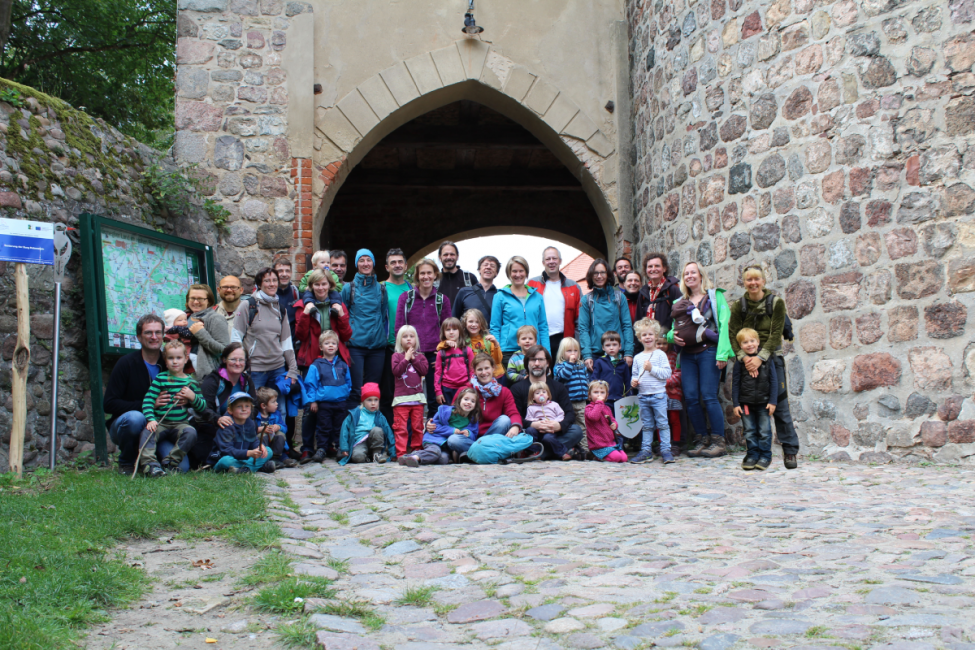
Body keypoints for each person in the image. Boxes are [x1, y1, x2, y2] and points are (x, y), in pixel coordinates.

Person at [727, 265, 799, 469]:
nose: (753, 283)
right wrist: (744, 358)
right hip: (746, 360)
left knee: (780, 404)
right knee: (750, 403)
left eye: (757, 279)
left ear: (763, 281)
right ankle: (755, 452)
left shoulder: (776, 303)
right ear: (744, 282)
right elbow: (733, 334)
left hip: (771, 358)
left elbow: (776, 333)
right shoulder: (738, 306)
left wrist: (760, 358)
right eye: (749, 279)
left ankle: (790, 450)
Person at [667, 261, 732, 459]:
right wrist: (671, 337)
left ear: (701, 275)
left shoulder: (714, 296)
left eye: (693, 272)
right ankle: (701, 439)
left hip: (709, 352)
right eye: (686, 273)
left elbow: (724, 323)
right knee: (692, 398)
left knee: (709, 395)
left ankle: (718, 441)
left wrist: (722, 354)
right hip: (687, 355)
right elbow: (673, 328)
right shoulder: (680, 302)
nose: (689, 276)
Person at [103, 314, 166, 475]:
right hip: (127, 425)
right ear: (139, 337)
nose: (154, 337)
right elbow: (109, 403)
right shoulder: (126, 363)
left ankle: (150, 462)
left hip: (160, 427)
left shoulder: (169, 363)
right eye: (148, 333)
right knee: (135, 418)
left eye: (158, 332)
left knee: (183, 466)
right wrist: (149, 404)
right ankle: (127, 462)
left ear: (163, 336)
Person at [137, 341, 203, 477]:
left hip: (180, 424)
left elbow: (202, 407)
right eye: (170, 358)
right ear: (165, 361)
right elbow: (148, 400)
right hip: (161, 422)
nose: (175, 362)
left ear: (186, 359)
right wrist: (150, 419)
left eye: (178, 358)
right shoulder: (161, 379)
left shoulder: (191, 382)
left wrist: (192, 397)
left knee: (191, 432)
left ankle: (171, 461)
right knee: (147, 432)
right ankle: (150, 465)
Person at [395, 258, 450, 414]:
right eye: (422, 273)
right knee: (410, 396)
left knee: (435, 397)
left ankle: (434, 434)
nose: (426, 277)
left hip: (434, 354)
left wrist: (442, 353)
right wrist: (404, 354)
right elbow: (399, 327)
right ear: (417, 276)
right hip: (411, 352)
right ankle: (411, 434)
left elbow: (448, 329)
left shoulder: (442, 300)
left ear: (435, 275)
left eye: (429, 273)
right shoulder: (406, 298)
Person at [232, 266, 299, 394]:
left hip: (278, 368)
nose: (272, 284)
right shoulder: (248, 305)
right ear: (259, 284)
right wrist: (240, 365)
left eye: (274, 280)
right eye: (267, 281)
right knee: (256, 408)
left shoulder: (280, 308)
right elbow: (236, 339)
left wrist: (292, 370)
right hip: (256, 370)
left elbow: (286, 342)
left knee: (279, 410)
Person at [509, 345, 583, 460]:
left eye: (541, 359)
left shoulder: (558, 387)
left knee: (576, 431)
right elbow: (515, 416)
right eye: (533, 360)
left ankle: (535, 453)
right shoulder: (517, 388)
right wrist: (532, 424)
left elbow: (569, 414)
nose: (537, 363)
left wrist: (559, 425)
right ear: (527, 363)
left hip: (553, 433)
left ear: (547, 363)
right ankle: (558, 451)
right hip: (530, 433)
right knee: (520, 435)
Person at [196, 343, 260, 468]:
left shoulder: (247, 381)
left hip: (240, 430)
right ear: (224, 359)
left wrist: (242, 420)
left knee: (264, 448)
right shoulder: (213, 380)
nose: (237, 363)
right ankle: (246, 464)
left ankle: (241, 465)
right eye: (233, 359)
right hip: (214, 431)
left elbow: (255, 406)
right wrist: (218, 419)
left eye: (241, 360)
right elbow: (203, 408)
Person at [342, 249, 390, 408]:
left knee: (373, 391)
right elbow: (343, 315)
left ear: (373, 263)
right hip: (355, 346)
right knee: (355, 390)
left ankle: (370, 430)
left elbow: (382, 314)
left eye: (368, 260)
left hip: (377, 347)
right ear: (356, 264)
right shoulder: (349, 289)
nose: (365, 263)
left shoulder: (382, 289)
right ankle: (352, 428)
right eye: (361, 260)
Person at [300, 330, 351, 463]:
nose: (330, 346)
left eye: (333, 343)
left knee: (339, 426)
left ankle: (340, 447)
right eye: (327, 343)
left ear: (337, 346)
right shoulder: (316, 365)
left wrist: (345, 393)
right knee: (324, 426)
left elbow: (348, 382)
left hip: (340, 402)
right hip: (324, 403)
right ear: (321, 347)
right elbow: (311, 384)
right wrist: (313, 401)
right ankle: (322, 448)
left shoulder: (342, 364)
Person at [491, 256, 550, 367]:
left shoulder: (537, 297)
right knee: (513, 383)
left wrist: (547, 354)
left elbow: (543, 326)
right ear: (509, 273)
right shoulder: (500, 296)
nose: (518, 275)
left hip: (534, 350)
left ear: (526, 272)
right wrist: (497, 351)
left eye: (521, 271)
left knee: (535, 383)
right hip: (508, 350)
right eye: (514, 271)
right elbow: (495, 326)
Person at [733, 328, 778, 471]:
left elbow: (774, 381)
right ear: (741, 346)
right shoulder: (739, 363)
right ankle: (752, 455)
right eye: (745, 342)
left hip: (764, 403)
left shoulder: (767, 359)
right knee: (749, 431)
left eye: (752, 341)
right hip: (746, 404)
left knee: (764, 431)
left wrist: (772, 401)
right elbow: (735, 383)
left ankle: (765, 456)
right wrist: (735, 404)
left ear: (758, 342)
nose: (749, 344)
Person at [576, 258, 634, 371]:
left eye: (602, 272)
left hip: (618, 354)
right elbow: (583, 329)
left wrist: (629, 352)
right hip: (596, 355)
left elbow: (627, 325)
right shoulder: (586, 300)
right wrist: (587, 355)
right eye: (596, 273)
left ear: (608, 274)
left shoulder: (619, 297)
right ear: (591, 276)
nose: (599, 276)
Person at [630, 318, 674, 464]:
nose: (647, 337)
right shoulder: (637, 358)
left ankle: (666, 450)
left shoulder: (660, 355)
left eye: (650, 334)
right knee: (647, 425)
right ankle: (646, 451)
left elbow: (667, 374)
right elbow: (634, 376)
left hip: (659, 396)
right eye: (644, 335)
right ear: (639, 338)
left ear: (656, 336)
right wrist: (634, 382)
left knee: (662, 424)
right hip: (643, 396)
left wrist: (652, 369)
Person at [400, 388, 480, 466]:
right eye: (466, 399)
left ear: (475, 405)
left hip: (445, 446)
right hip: (434, 440)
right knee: (435, 452)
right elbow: (435, 427)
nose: (469, 402)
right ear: (459, 401)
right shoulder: (447, 412)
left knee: (443, 459)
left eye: (472, 401)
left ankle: (418, 456)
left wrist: (469, 433)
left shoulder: (472, 419)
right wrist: (451, 431)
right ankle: (413, 457)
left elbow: (474, 434)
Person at [528, 246, 581, 354]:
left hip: (565, 340)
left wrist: (577, 343)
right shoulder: (532, 284)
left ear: (560, 261)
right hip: (539, 339)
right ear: (543, 262)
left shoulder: (573, 286)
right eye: (548, 259)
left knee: (565, 371)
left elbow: (580, 319)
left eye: (554, 258)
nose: (551, 262)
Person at [381, 248, 412, 423]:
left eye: (400, 262)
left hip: (408, 348)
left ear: (406, 266)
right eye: (393, 262)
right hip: (387, 346)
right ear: (387, 267)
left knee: (408, 392)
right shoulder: (381, 288)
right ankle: (388, 435)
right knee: (387, 392)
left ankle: (405, 435)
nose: (397, 265)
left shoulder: (411, 289)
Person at [391, 325, 429, 458]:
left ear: (416, 339)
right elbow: (396, 371)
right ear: (399, 340)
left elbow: (424, 371)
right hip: (401, 400)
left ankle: (416, 451)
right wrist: (406, 358)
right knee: (400, 428)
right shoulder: (396, 356)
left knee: (418, 427)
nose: (408, 339)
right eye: (405, 336)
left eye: (411, 336)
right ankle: (401, 453)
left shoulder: (421, 357)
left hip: (417, 399)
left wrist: (413, 358)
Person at [207, 392, 269, 474]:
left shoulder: (251, 423)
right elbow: (227, 450)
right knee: (225, 461)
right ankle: (253, 468)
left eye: (247, 406)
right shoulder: (227, 425)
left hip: (244, 458)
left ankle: (242, 470)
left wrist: (259, 446)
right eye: (239, 406)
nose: (244, 409)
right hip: (225, 458)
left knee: (268, 450)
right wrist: (248, 453)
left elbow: (253, 441)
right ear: (230, 410)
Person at [337, 383, 395, 465]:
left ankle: (377, 454)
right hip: (359, 442)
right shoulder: (355, 414)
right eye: (369, 400)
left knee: (377, 430)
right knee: (357, 458)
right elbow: (344, 430)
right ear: (363, 401)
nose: (373, 403)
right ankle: (367, 458)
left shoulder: (380, 416)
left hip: (374, 442)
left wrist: (393, 452)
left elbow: (389, 434)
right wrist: (344, 448)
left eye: (376, 400)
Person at [185, 284, 230, 380]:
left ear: (208, 301)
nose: (196, 302)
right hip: (182, 376)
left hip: (206, 378)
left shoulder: (216, 319)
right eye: (192, 298)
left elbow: (224, 350)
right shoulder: (183, 317)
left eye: (200, 299)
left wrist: (200, 333)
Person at [553, 337, 589, 456]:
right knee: (568, 426)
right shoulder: (559, 366)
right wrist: (570, 364)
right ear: (562, 352)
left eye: (575, 351)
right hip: (568, 403)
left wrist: (587, 390)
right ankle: (569, 448)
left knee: (583, 425)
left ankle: (585, 450)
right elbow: (564, 376)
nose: (573, 354)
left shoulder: (581, 365)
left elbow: (586, 379)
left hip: (581, 401)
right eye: (569, 351)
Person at [636, 253, 683, 332]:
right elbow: (638, 320)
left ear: (664, 269)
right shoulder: (643, 292)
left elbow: (681, 316)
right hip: (648, 340)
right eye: (650, 266)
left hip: (667, 341)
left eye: (657, 266)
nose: (653, 269)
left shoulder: (672, 289)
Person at [434, 317, 475, 407]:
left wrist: (471, 386)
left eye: (454, 329)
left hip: (465, 388)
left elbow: (472, 370)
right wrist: (438, 391)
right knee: (448, 414)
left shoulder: (467, 350)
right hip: (446, 389)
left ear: (459, 331)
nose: (451, 332)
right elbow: (438, 373)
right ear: (443, 333)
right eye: (448, 330)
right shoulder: (441, 353)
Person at [586, 381, 626, 462]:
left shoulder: (607, 408)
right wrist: (599, 403)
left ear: (607, 395)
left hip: (610, 442)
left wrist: (615, 424)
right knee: (616, 457)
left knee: (624, 458)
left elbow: (613, 419)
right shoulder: (589, 408)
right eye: (596, 392)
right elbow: (594, 417)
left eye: (602, 392)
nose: (599, 395)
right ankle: (596, 456)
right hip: (598, 444)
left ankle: (610, 453)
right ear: (590, 395)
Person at [452, 255, 500, 322]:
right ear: (479, 270)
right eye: (485, 265)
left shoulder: (499, 295)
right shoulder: (464, 292)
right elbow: (454, 319)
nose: (488, 267)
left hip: (491, 332)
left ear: (496, 273)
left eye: (492, 266)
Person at [254, 387, 289, 472]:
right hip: (262, 445)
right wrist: (261, 429)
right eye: (273, 402)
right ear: (263, 405)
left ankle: (277, 457)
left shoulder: (276, 414)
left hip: (274, 441)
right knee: (262, 435)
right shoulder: (255, 416)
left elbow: (285, 428)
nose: (277, 404)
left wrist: (278, 427)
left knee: (281, 434)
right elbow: (250, 430)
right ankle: (265, 459)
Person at [461, 308, 503, 378]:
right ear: (465, 323)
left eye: (477, 322)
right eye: (471, 321)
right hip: (477, 377)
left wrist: (496, 344)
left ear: (482, 324)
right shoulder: (463, 341)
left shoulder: (488, 339)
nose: (474, 325)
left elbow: (498, 360)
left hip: (496, 376)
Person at [437, 241, 478, 306]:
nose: (449, 257)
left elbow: (478, 304)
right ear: (440, 257)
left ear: (457, 256)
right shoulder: (434, 280)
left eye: (452, 254)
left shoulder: (470, 278)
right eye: (445, 254)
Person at [272, 258, 300, 338]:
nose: (284, 274)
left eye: (287, 271)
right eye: (280, 271)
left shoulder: (297, 293)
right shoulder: (268, 295)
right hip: (272, 345)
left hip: (293, 345)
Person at [164, 309, 196, 375]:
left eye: (185, 319)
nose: (184, 322)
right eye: (180, 320)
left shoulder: (184, 330)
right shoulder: (174, 332)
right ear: (172, 322)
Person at [621, 271, 643, 352]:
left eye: (636, 280)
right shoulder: (619, 302)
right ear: (624, 284)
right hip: (623, 344)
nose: (633, 283)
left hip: (643, 344)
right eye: (630, 280)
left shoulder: (646, 300)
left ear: (641, 284)